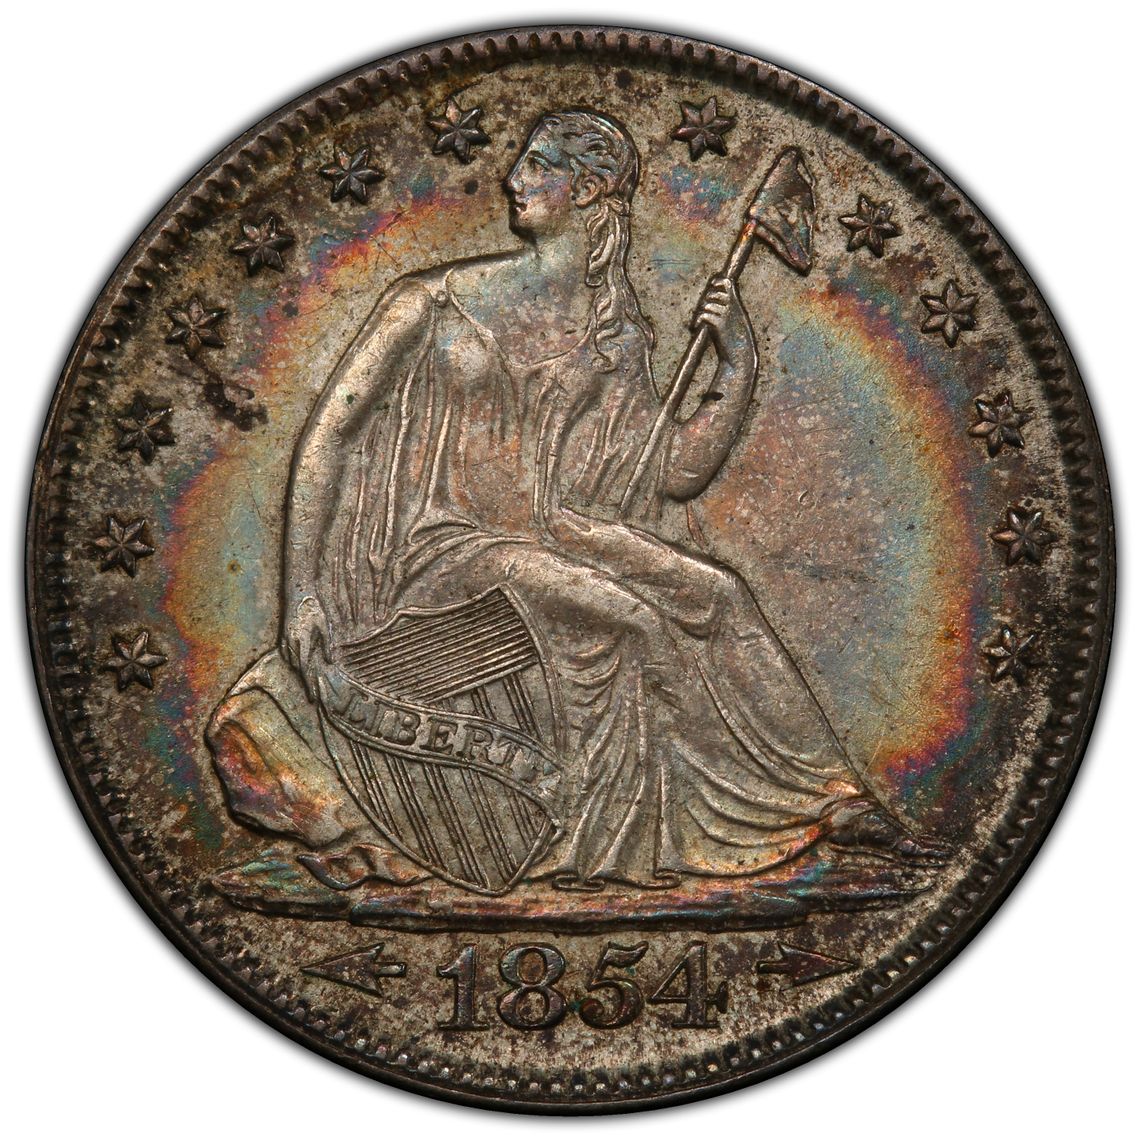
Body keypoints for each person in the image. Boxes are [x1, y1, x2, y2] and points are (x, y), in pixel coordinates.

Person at [208, 109, 943, 895]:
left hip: (559, 535)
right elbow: (330, 435)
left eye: (534, 165)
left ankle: (830, 803)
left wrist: (738, 369)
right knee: (632, 619)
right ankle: (642, 843)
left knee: (720, 593)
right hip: (444, 553)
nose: (511, 180)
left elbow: (672, 471)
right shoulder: (429, 302)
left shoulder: (613, 329)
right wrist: (303, 594)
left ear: (587, 189)